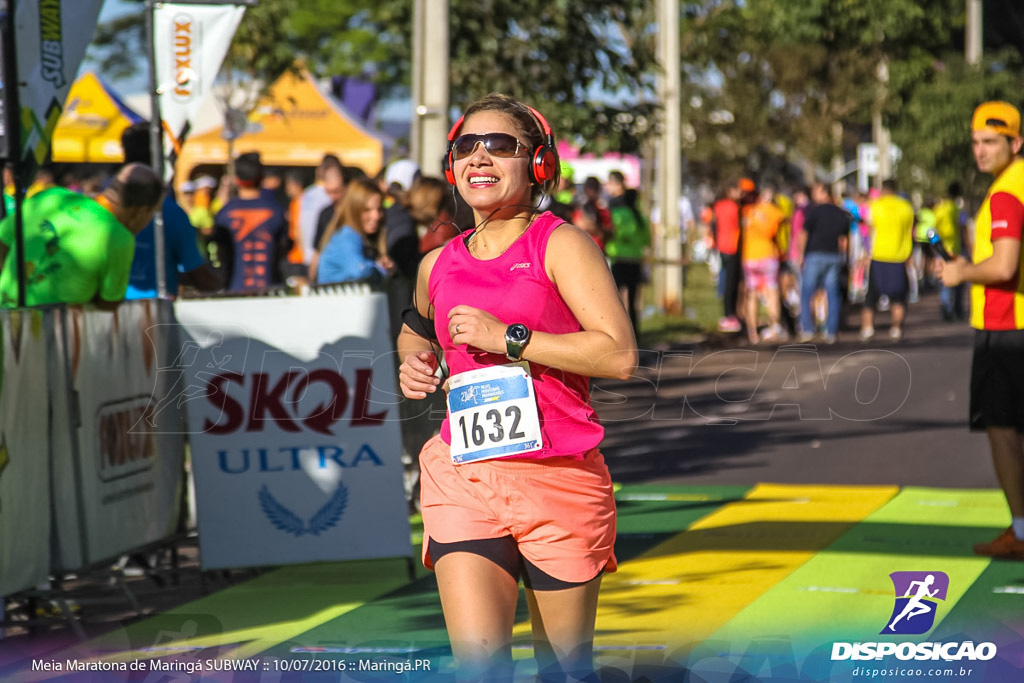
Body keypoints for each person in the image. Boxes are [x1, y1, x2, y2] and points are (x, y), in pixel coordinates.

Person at [397, 93, 636, 681]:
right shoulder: (439, 263)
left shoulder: (561, 245)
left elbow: (619, 355)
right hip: (464, 475)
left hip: (557, 479)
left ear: (537, 165)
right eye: (466, 147)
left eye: (500, 145)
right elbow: (414, 329)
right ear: (452, 167)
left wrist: (511, 338)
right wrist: (415, 364)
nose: (480, 157)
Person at [939, 101, 1024, 560]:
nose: (980, 151)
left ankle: (1021, 531)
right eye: (975, 141)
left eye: (991, 142)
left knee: (1003, 429)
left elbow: (1005, 265)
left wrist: (962, 274)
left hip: (1006, 325)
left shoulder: (1007, 192)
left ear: (1016, 142)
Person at [0, 163, 163, 309]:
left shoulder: (51, 196)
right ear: (142, 212)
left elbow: (2, 242)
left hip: (5, 318)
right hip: (54, 335)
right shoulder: (119, 237)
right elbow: (109, 302)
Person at [119, 122, 221, 299]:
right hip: (155, 315)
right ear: (158, 157)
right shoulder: (170, 213)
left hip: (105, 316)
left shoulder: (100, 210)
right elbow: (198, 276)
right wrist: (222, 286)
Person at [213, 152, 289, 292]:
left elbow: (220, 255)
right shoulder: (276, 211)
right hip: (269, 292)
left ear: (236, 179)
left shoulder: (224, 213)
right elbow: (282, 250)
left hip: (234, 291)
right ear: (261, 178)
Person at [860, 179, 915, 341]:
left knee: (871, 295)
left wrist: (865, 253)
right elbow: (910, 231)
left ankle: (867, 328)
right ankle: (896, 328)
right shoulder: (906, 207)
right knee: (898, 296)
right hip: (899, 256)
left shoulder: (875, 206)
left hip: (879, 255)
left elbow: (869, 230)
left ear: (883, 190)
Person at [312, 177, 390, 285]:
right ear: (354, 209)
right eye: (367, 210)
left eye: (379, 209)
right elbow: (359, 270)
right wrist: (380, 268)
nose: (376, 216)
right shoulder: (346, 235)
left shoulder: (359, 235)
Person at [797, 183, 849, 343]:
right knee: (832, 294)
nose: (814, 196)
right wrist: (845, 257)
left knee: (807, 292)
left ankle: (807, 328)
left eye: (816, 192)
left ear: (824, 193)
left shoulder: (814, 211)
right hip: (833, 256)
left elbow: (804, 233)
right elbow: (844, 240)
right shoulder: (840, 213)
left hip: (815, 255)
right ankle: (831, 331)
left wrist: (800, 254)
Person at [604, 171, 651, 335]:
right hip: (635, 260)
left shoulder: (615, 213)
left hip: (618, 259)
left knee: (616, 301)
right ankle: (636, 335)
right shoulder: (639, 216)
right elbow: (647, 240)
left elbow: (612, 233)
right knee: (633, 302)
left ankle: (619, 335)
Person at [741, 185, 786, 343]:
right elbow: (776, 234)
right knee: (771, 293)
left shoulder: (750, 211)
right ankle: (774, 327)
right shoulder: (775, 213)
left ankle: (752, 332)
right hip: (768, 256)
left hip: (750, 257)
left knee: (751, 294)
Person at [711, 182, 744, 332]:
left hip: (722, 247)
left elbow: (713, 225)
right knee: (731, 282)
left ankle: (727, 314)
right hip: (732, 247)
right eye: (737, 189)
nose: (740, 192)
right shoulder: (733, 207)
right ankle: (730, 315)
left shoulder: (718, 206)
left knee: (725, 281)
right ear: (729, 191)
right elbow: (738, 227)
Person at [934, 182, 967, 322]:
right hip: (956, 249)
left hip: (942, 249)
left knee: (944, 280)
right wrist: (970, 247)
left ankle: (946, 309)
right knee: (960, 280)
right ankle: (958, 310)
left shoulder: (939, 208)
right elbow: (963, 229)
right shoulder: (958, 210)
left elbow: (934, 229)